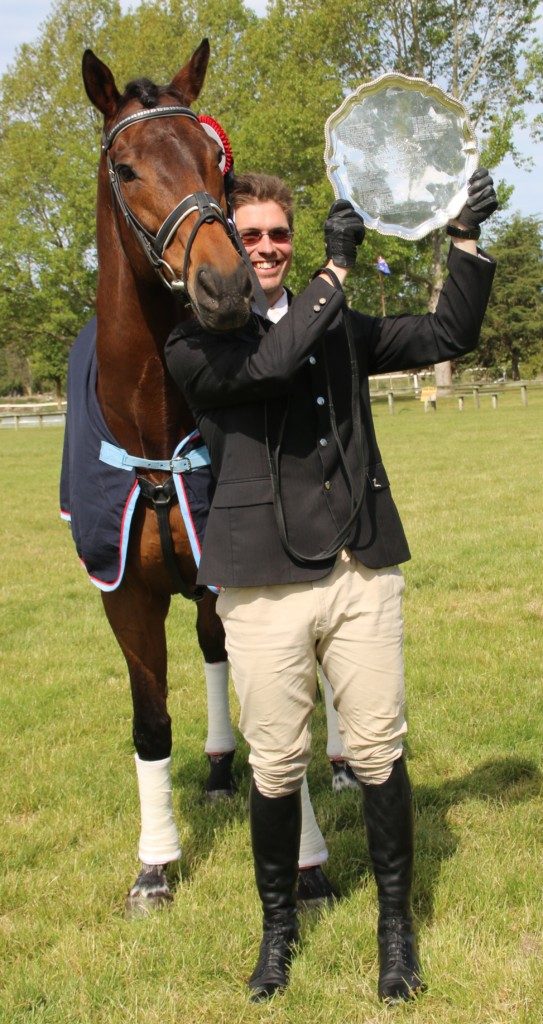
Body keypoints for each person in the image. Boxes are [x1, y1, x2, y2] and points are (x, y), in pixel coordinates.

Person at [165, 168, 497, 1003]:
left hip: (359, 566)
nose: (269, 247)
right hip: (261, 583)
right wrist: (335, 272)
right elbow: (273, 365)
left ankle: (396, 933)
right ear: (228, 247)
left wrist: (463, 240)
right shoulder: (195, 342)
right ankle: (278, 933)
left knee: (379, 750)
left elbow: (448, 332)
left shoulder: (337, 319)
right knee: (276, 766)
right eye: (253, 236)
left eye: (281, 233)